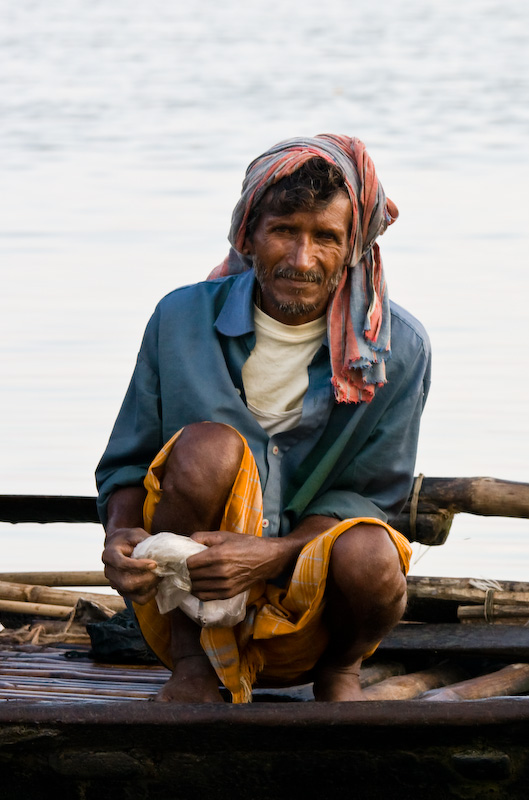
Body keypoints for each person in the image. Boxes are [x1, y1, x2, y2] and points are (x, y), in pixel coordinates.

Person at [97, 134, 431, 704]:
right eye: (283, 231)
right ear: (248, 236)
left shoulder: (397, 349)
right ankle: (192, 669)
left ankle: (340, 675)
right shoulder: (179, 318)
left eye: (325, 237)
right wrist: (119, 536)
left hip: (311, 623)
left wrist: (274, 555)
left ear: (353, 246)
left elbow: (372, 499)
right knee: (207, 448)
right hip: (184, 595)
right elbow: (130, 461)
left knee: (371, 554)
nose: (302, 260)